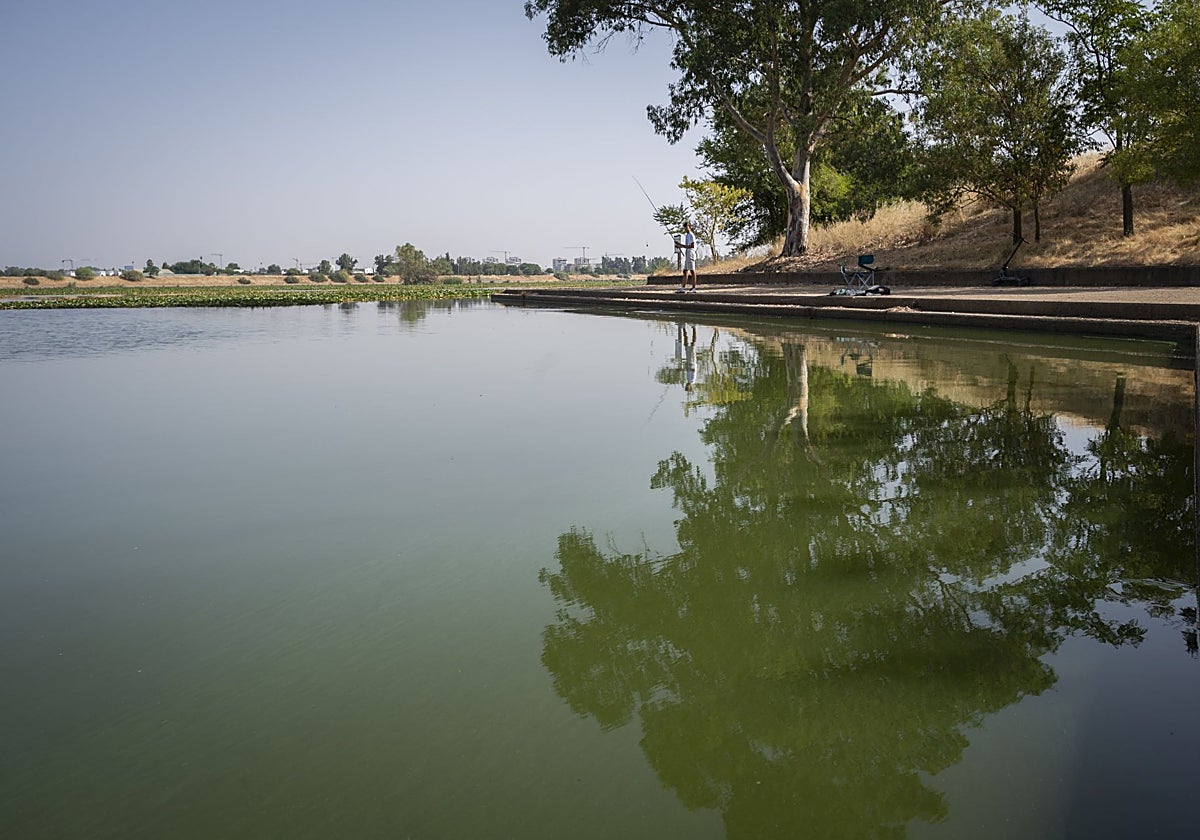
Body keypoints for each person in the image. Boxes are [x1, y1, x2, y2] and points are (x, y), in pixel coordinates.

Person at [675, 220, 697, 292]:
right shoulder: (687, 235)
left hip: (691, 253)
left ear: (689, 227)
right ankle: (683, 287)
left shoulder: (691, 235)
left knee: (692, 271)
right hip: (688, 253)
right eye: (685, 227)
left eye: (686, 227)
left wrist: (681, 246)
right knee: (685, 271)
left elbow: (692, 245)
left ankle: (694, 287)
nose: (685, 229)